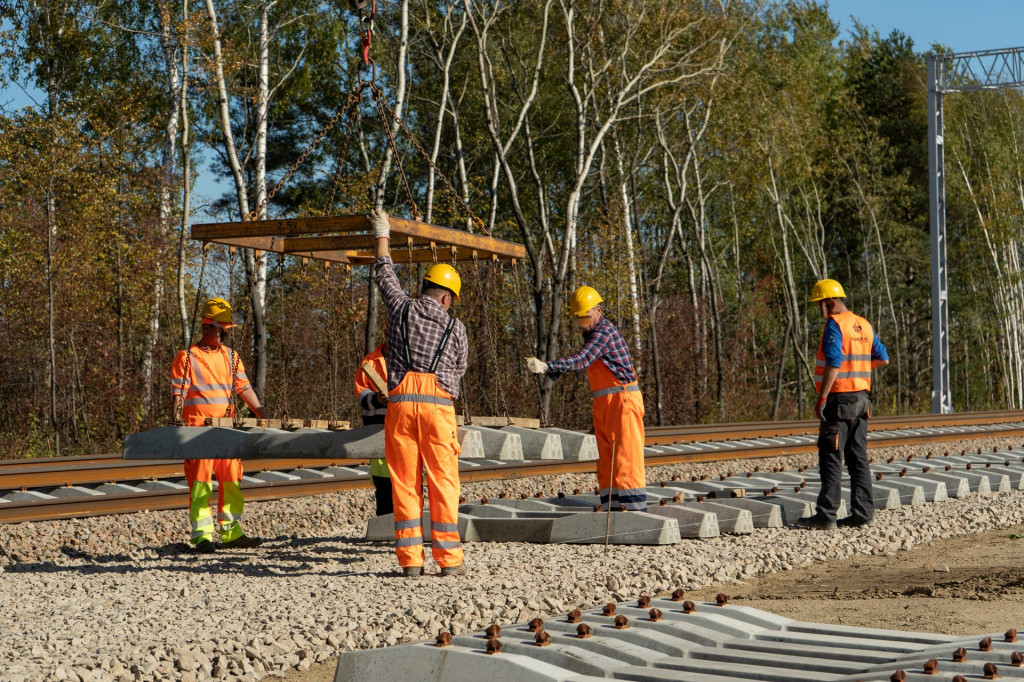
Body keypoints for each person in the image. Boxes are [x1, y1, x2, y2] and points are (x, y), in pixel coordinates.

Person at [370, 209, 469, 577]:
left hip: (400, 407)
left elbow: (384, 271)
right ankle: (449, 561)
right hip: (439, 409)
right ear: (447, 298)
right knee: (444, 481)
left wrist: (383, 232)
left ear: (426, 287)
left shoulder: (401, 308)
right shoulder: (456, 328)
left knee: (405, 482)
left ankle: (411, 562)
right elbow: (459, 370)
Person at [524, 286, 647, 512]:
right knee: (607, 460)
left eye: (585, 317)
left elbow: (584, 358)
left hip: (623, 402)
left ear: (598, 311)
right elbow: (586, 359)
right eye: (578, 318)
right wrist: (554, 370)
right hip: (606, 403)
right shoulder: (593, 333)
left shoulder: (603, 333)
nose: (582, 323)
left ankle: (633, 510)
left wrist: (549, 366)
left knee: (626, 457)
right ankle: (613, 507)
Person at [171, 298, 266, 553]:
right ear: (207, 326)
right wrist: (177, 420)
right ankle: (202, 535)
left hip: (227, 430)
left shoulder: (231, 357)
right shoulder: (187, 357)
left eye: (227, 330)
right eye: (222, 329)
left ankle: (231, 533)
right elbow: (178, 393)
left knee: (231, 480)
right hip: (198, 432)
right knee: (201, 484)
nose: (225, 334)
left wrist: (261, 413)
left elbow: (244, 388)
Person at [798, 279, 889, 530]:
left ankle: (826, 515)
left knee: (831, 457)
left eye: (820, 304)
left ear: (830, 302)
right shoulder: (864, 324)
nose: (820, 309)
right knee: (858, 458)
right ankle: (863, 512)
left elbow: (835, 360)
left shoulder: (834, 324)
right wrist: (858, 370)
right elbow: (883, 359)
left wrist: (823, 396)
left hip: (839, 399)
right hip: (862, 399)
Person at [354, 341, 393, 516]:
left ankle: (408, 528)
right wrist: (376, 399)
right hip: (378, 433)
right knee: (384, 487)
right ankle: (385, 523)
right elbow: (360, 392)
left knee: (408, 487)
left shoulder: (412, 358)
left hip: (405, 432)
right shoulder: (370, 362)